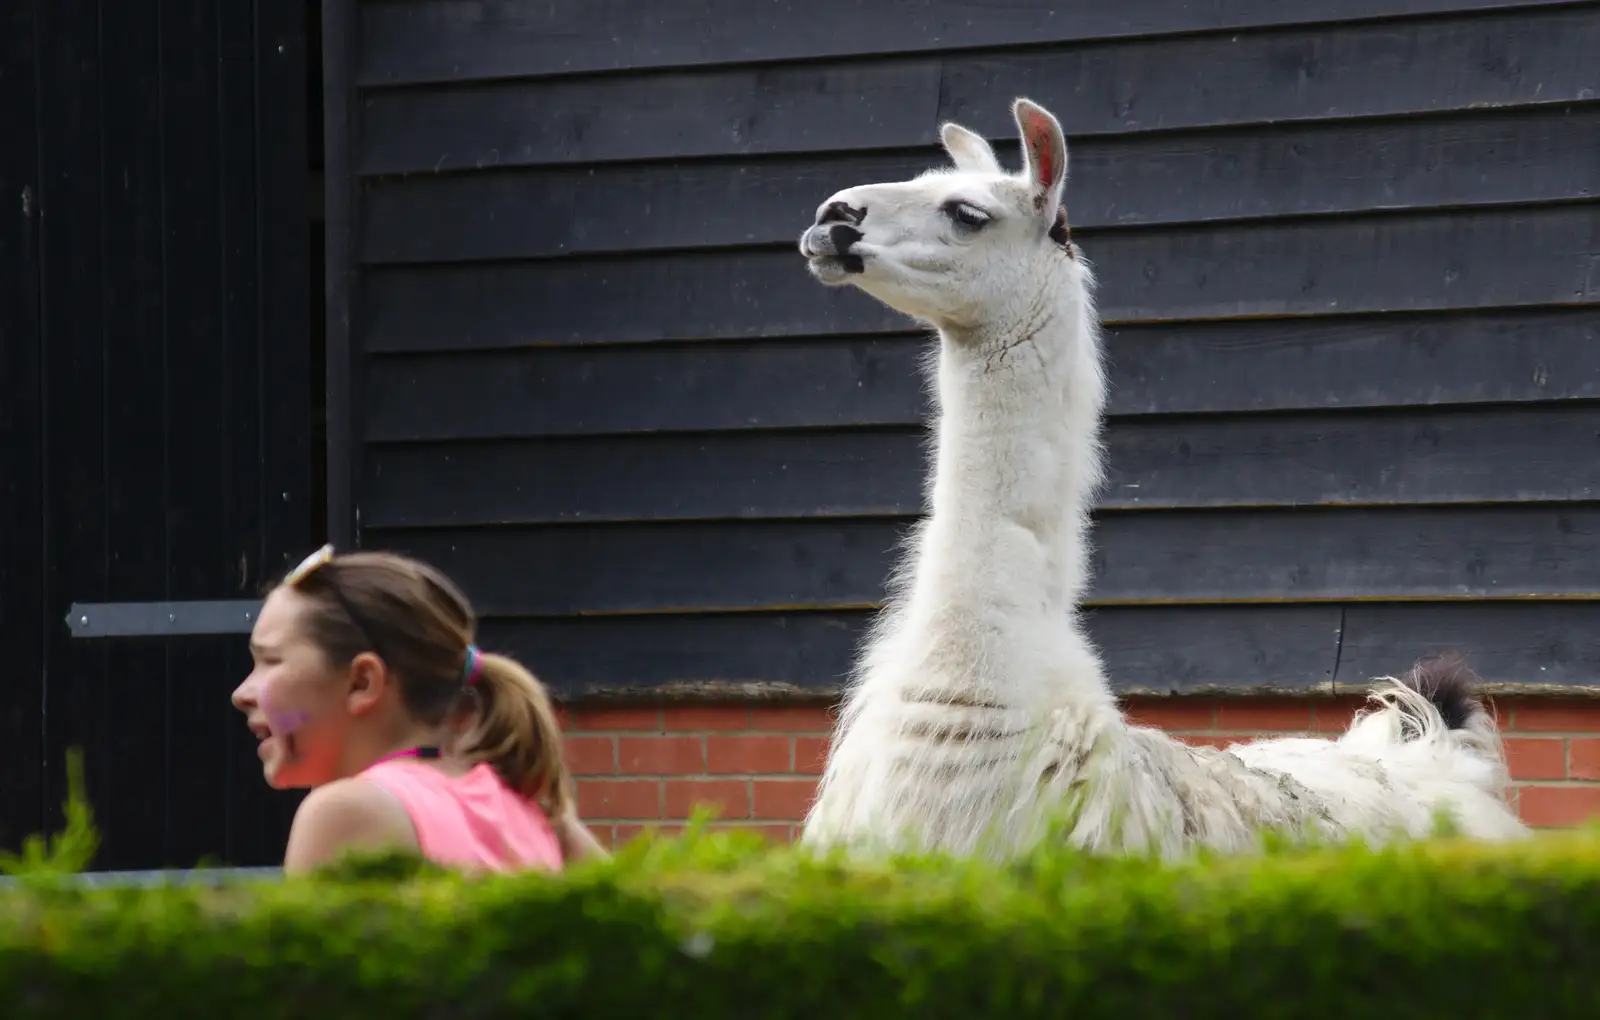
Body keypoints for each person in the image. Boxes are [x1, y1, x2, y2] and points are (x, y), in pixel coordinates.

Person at [231, 543, 608, 874]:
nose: (241, 694)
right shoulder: (528, 807)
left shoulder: (345, 813)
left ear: (362, 683)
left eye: (270, 661)